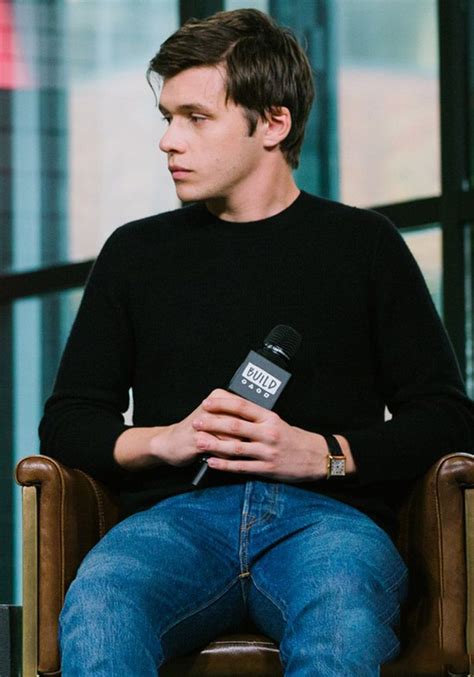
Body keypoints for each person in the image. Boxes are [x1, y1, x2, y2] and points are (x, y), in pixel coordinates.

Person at [39, 8, 474, 676]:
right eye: (167, 118)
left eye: (196, 117)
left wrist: (324, 454)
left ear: (273, 122)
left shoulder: (365, 246)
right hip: (174, 519)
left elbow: (445, 414)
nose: (168, 141)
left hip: (327, 523)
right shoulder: (134, 253)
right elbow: (68, 421)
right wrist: (166, 439)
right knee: (102, 607)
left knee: (342, 622)